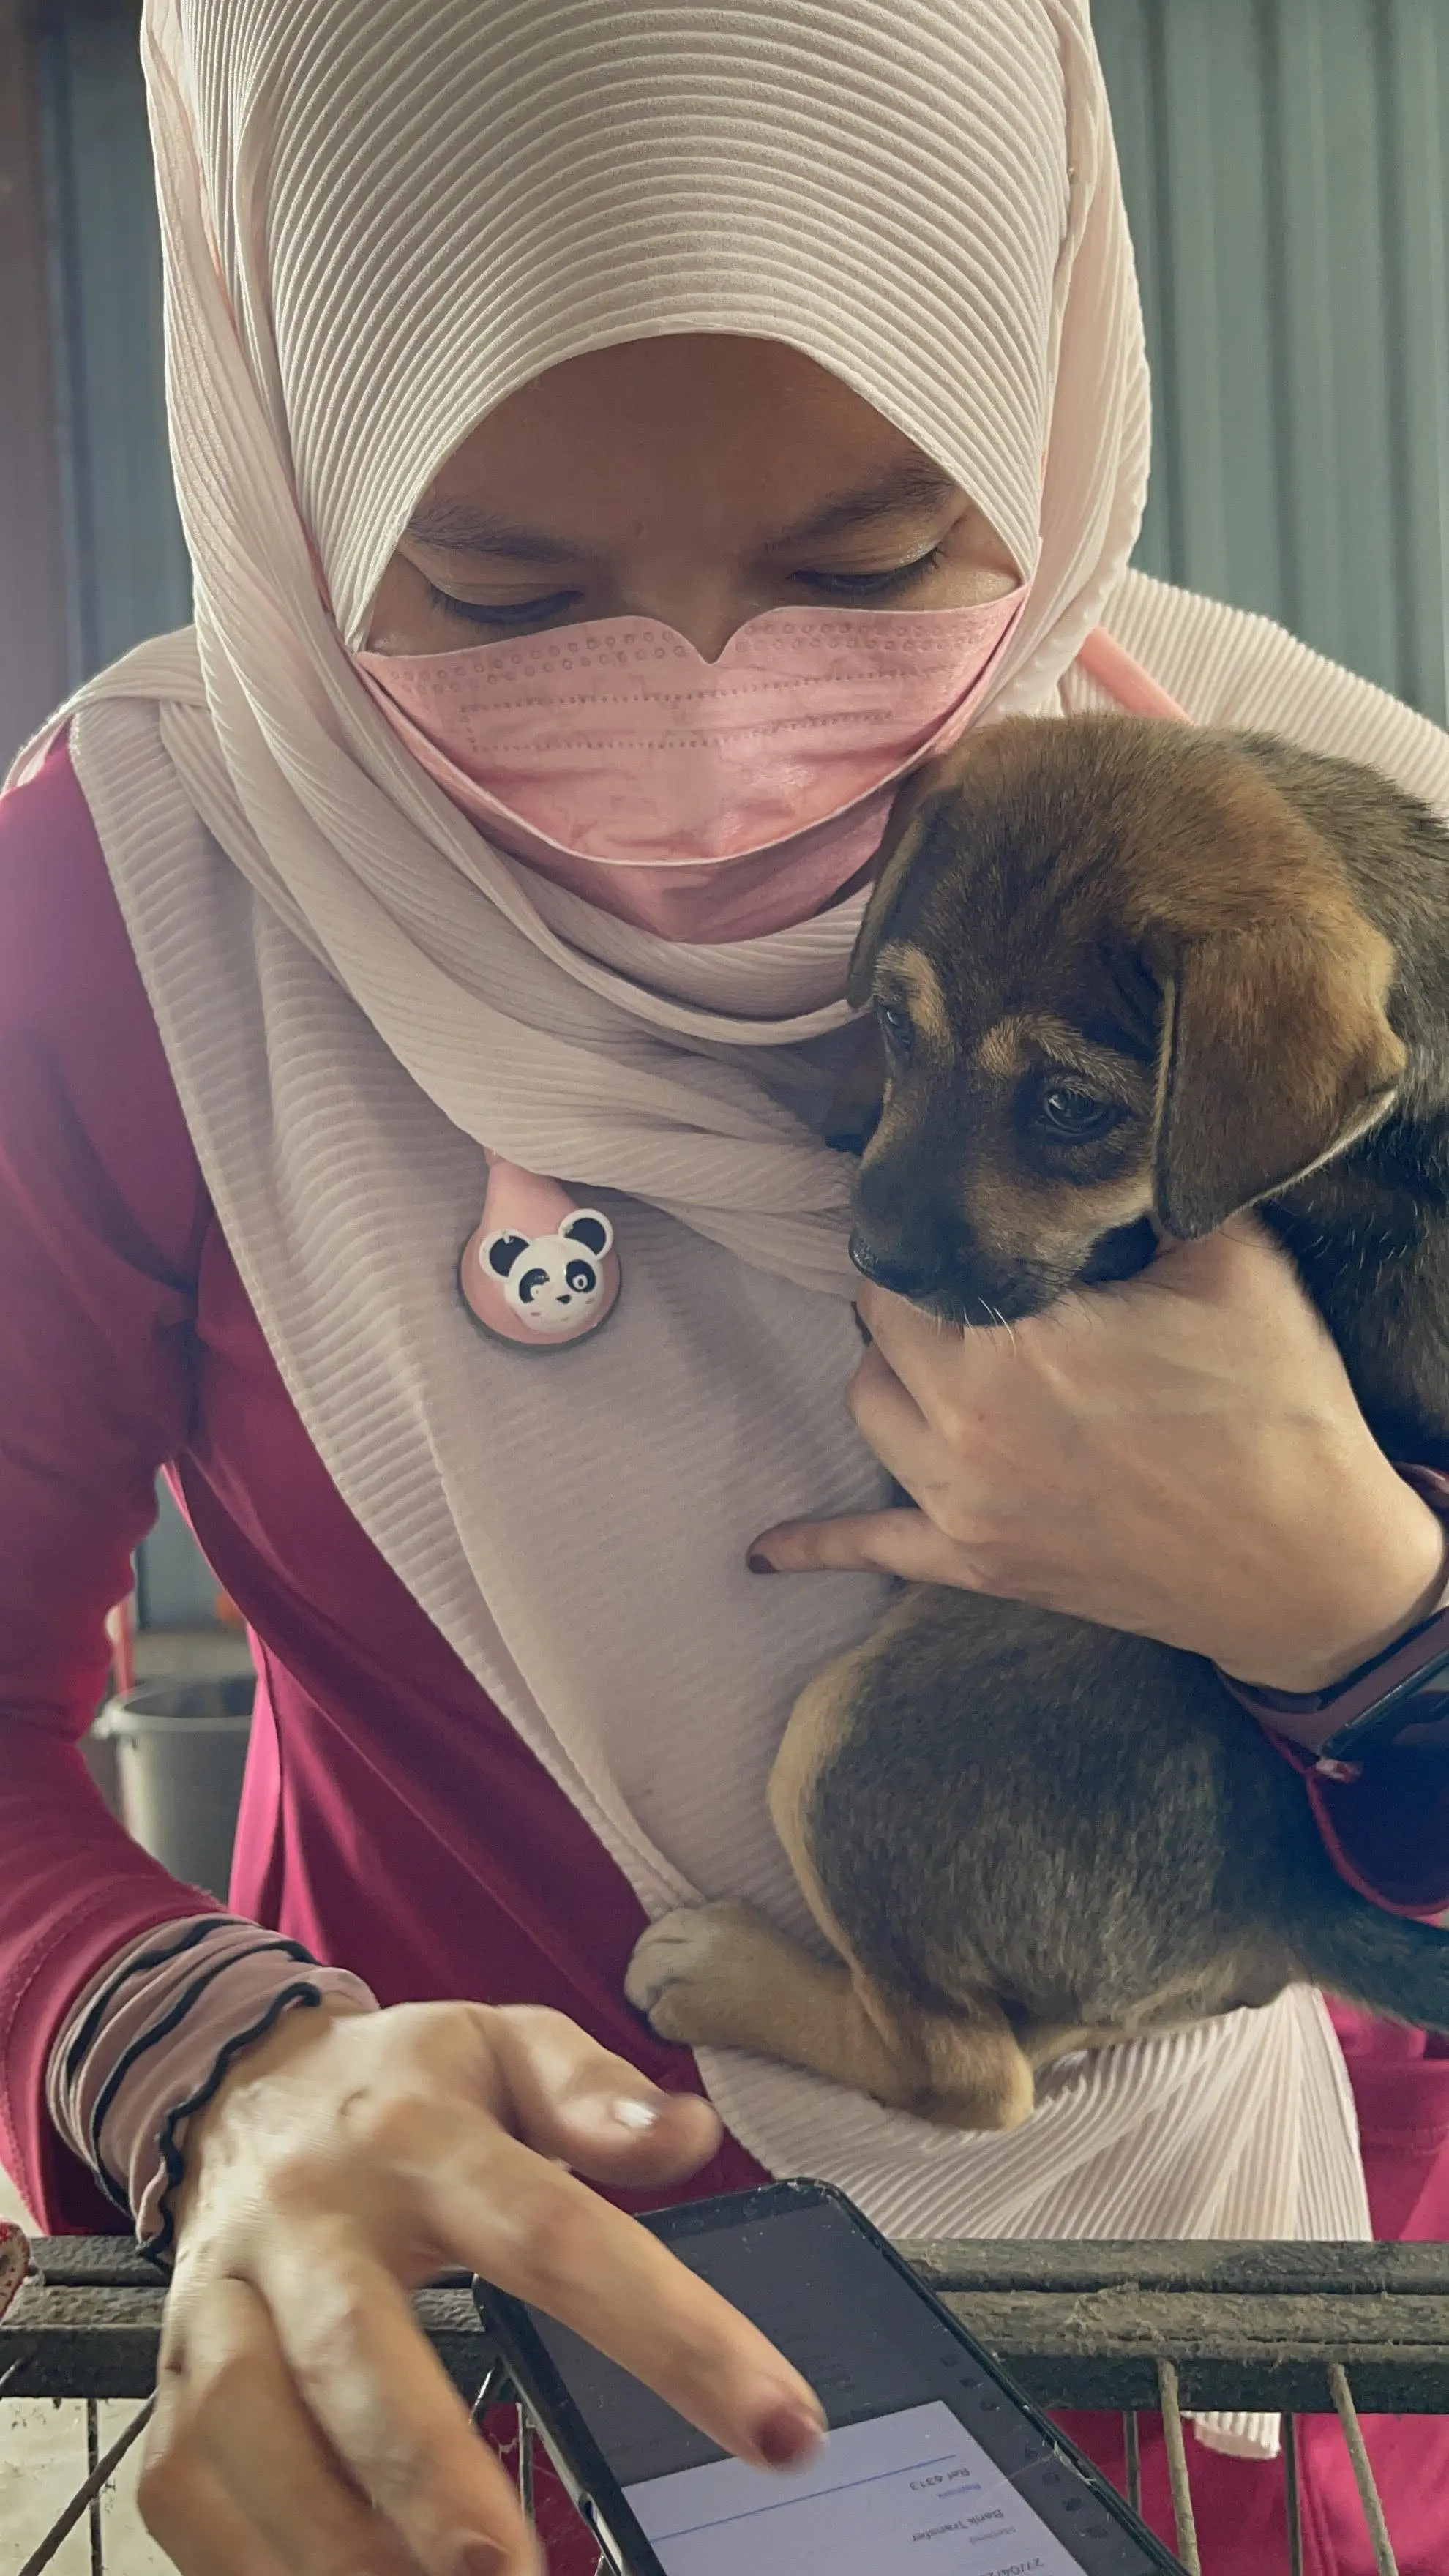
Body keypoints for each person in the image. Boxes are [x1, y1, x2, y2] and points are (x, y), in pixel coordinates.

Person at [3, 1, 1449, 2569]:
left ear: (1053, 393)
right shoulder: (129, 927)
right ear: (285, 457)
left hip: (1296, 2413)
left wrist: (1357, 1622)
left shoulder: (1323, 899)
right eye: (499, 587)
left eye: (876, 565)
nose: (707, 741)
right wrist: (211, 2065)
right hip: (496, 2425)